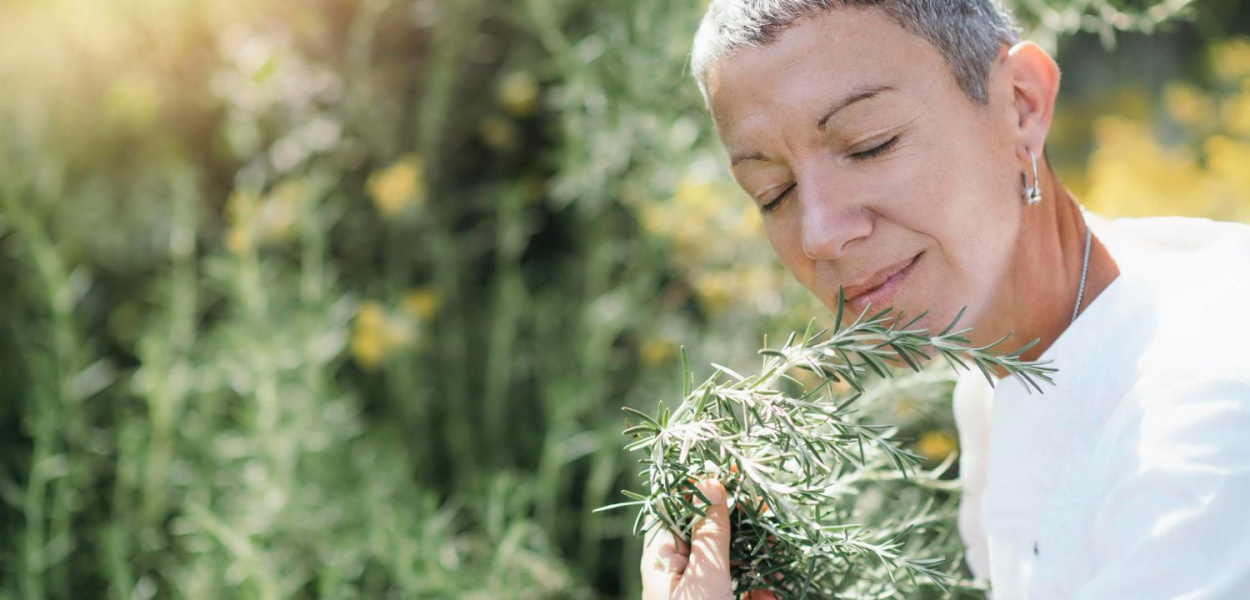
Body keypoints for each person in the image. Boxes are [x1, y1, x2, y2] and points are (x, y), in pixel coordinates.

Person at [640, 1, 1250, 599]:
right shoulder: (992, 368)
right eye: (773, 192)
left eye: (869, 143)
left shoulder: (1209, 420)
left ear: (1021, 103)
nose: (819, 234)